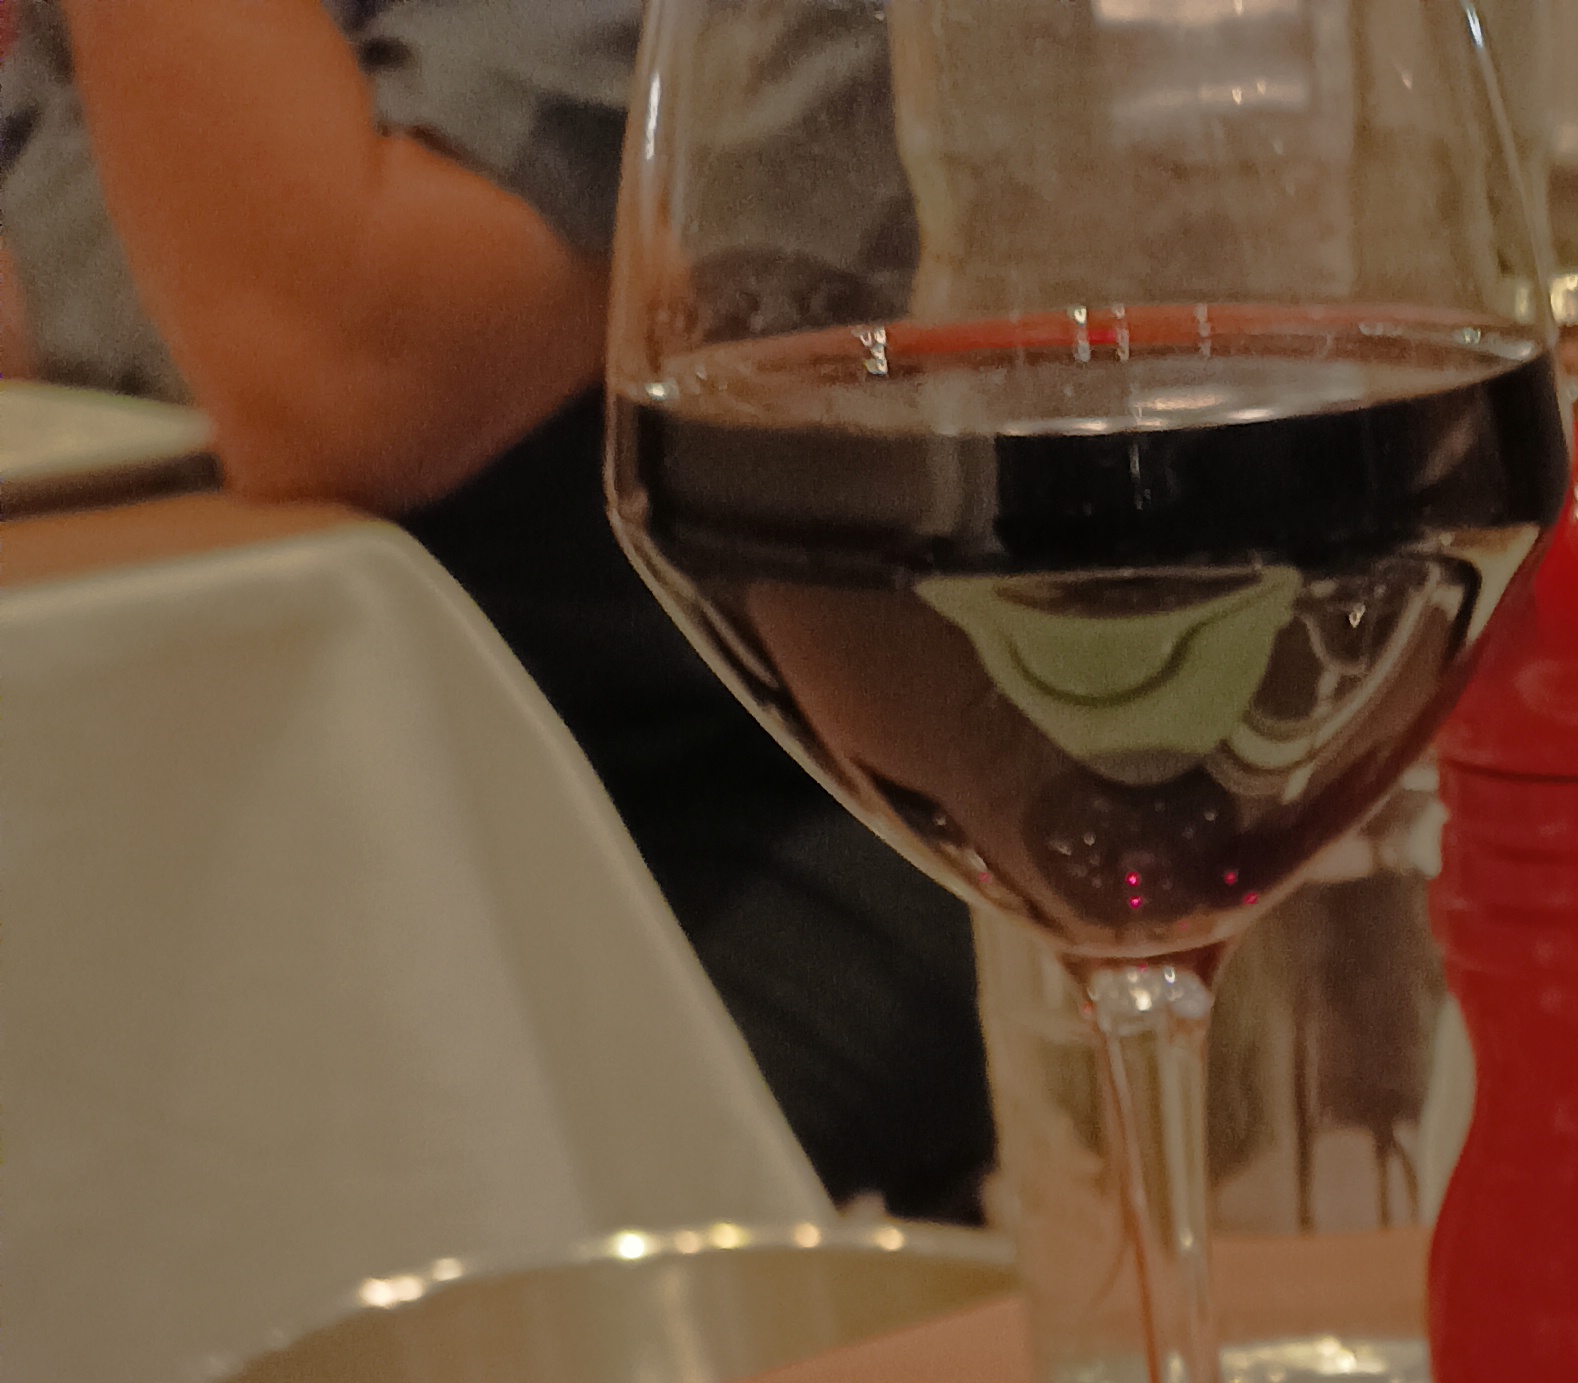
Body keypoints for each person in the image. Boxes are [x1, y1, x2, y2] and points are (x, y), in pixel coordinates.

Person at [0, 0, 996, 1219]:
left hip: (766, 789)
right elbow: (60, 279)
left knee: (207, 1241)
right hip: (284, 799)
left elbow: (346, 363)